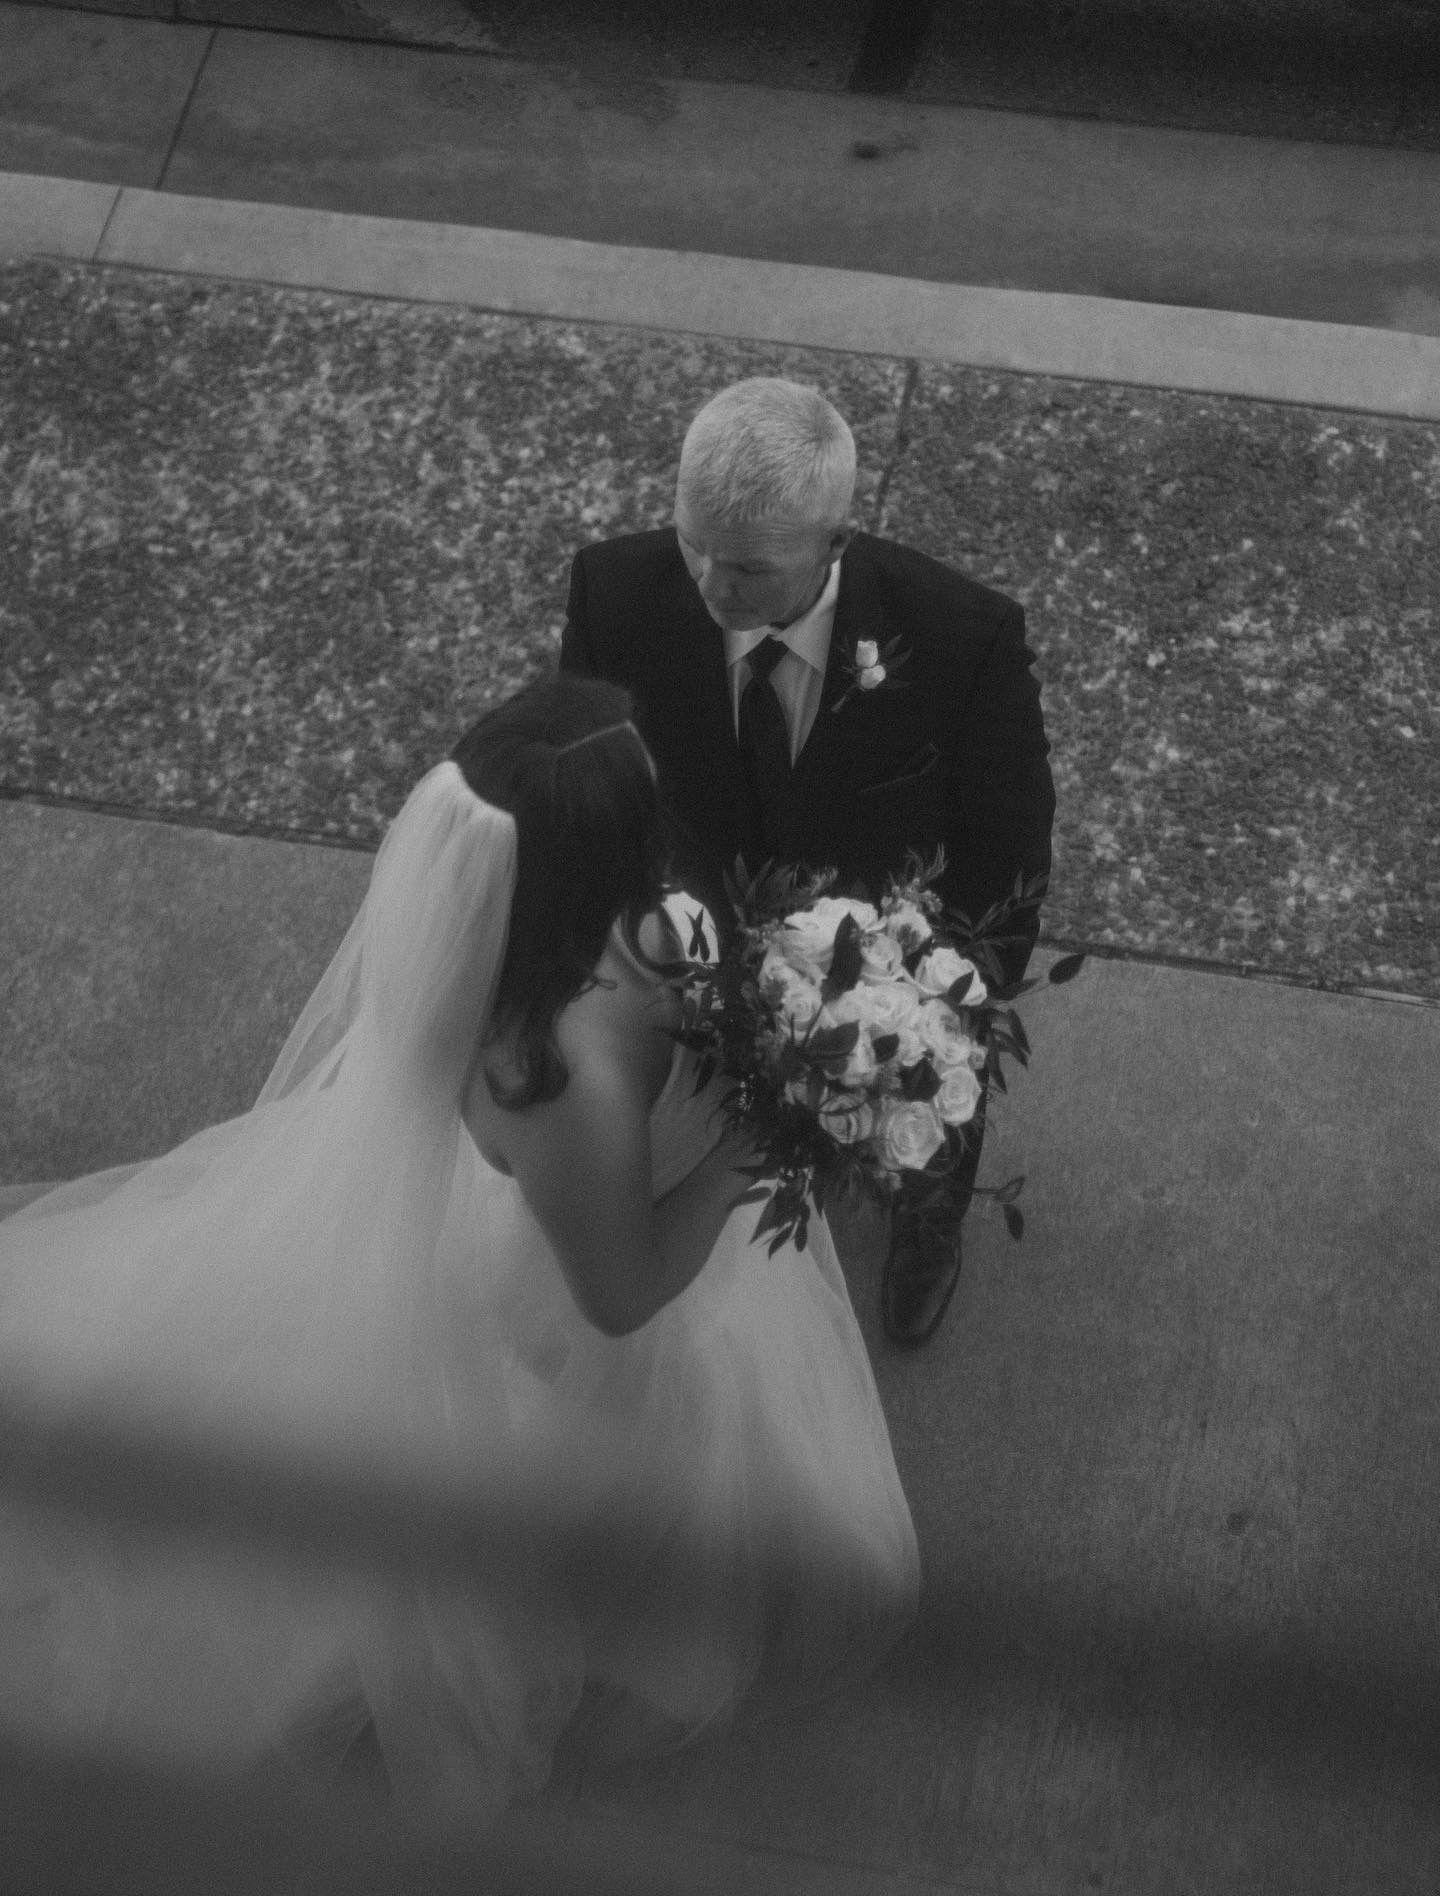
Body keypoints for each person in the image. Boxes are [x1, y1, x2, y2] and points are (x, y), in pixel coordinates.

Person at [0, 675, 917, 1837]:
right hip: (575, 1295)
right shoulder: (558, 1081)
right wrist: (761, 1139)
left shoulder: (632, 925)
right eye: (641, 805)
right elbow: (621, 1298)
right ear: (597, 856)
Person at [560, 378, 1056, 1348]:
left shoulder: (964, 639)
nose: (709, 588)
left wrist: (944, 1006)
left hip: (883, 968)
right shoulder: (616, 591)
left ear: (835, 544)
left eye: (746, 568)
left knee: (925, 1121)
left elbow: (1008, 851)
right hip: (697, 947)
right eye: (691, 543)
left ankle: (927, 1213)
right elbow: (588, 779)